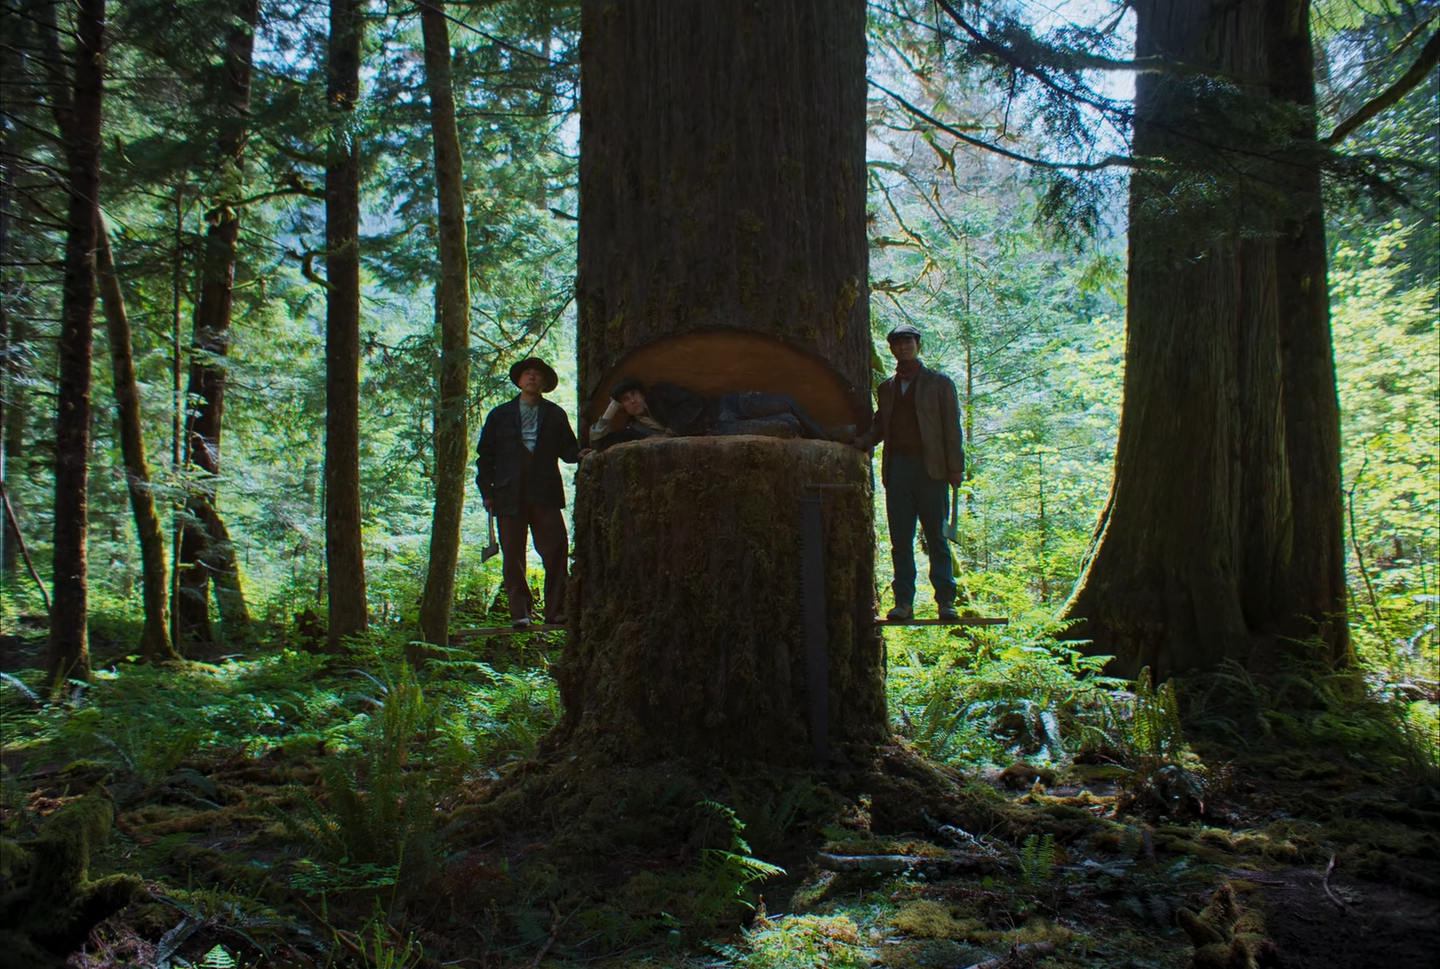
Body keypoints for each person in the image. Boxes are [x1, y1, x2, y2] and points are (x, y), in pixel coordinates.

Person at [852, 324, 965, 621]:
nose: (903, 347)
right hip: (898, 471)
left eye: (908, 342)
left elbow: (952, 427)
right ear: (891, 349)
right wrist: (862, 441)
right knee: (900, 541)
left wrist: (955, 467)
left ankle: (946, 602)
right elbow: (880, 425)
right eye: (898, 343)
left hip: (932, 471)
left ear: (918, 345)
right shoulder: (887, 388)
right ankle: (903, 602)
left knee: (937, 538)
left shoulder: (939, 383)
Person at [475, 357, 580, 627]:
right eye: (527, 373)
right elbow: (485, 457)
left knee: (556, 550)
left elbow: (568, 449)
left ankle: (556, 610)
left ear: (544, 383)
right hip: (508, 495)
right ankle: (520, 613)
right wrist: (487, 492)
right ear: (519, 380)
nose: (532, 377)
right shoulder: (499, 415)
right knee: (512, 555)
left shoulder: (555, 414)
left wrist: (584, 452)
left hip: (545, 493)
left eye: (537, 374)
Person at [586, 377, 834, 449]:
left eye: (633, 395)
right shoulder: (635, 428)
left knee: (784, 402)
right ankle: (834, 432)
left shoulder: (661, 392)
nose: (632, 401)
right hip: (719, 429)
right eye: (625, 400)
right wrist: (611, 408)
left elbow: (692, 403)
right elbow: (598, 443)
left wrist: (670, 433)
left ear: (641, 393)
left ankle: (827, 438)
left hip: (726, 405)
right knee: (786, 426)